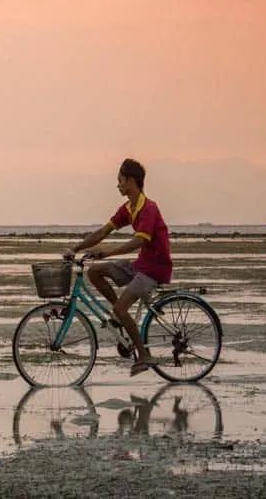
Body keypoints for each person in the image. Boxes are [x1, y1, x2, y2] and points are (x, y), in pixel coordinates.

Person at [65, 158, 172, 376]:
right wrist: (75, 249)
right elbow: (103, 231)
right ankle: (119, 318)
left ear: (131, 181)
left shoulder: (149, 209)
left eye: (120, 180)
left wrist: (108, 252)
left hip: (154, 270)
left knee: (121, 308)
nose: (118, 185)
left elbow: (138, 242)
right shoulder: (128, 208)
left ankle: (144, 355)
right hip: (140, 265)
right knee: (95, 271)